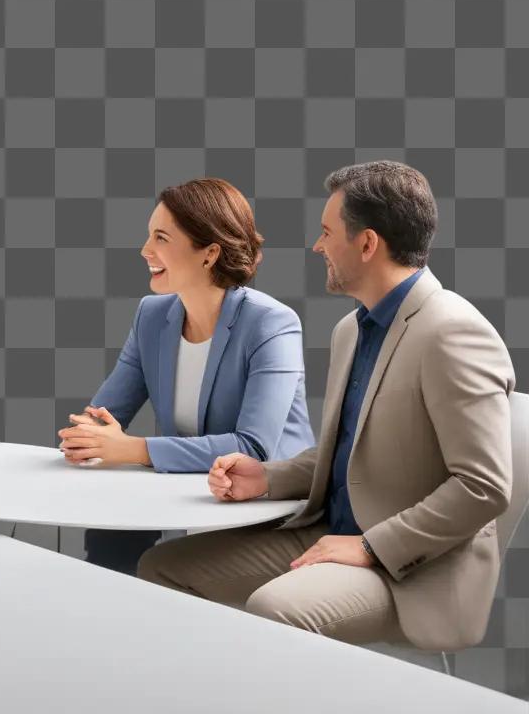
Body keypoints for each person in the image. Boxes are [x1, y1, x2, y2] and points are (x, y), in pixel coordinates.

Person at [139, 161, 515, 652]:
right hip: (327, 532)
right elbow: (349, 452)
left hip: (412, 568)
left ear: (367, 243)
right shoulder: (351, 331)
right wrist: (267, 477)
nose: (318, 246)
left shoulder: (452, 332)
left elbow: (483, 487)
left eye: (326, 232)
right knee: (158, 568)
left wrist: (369, 546)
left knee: (275, 610)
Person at [58, 178, 314, 575]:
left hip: (266, 508)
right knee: (109, 536)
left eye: (161, 238)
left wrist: (133, 449)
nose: (145, 251)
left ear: (209, 253)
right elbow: (107, 409)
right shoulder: (152, 315)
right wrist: (87, 434)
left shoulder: (271, 324)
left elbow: (253, 446)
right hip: (189, 493)